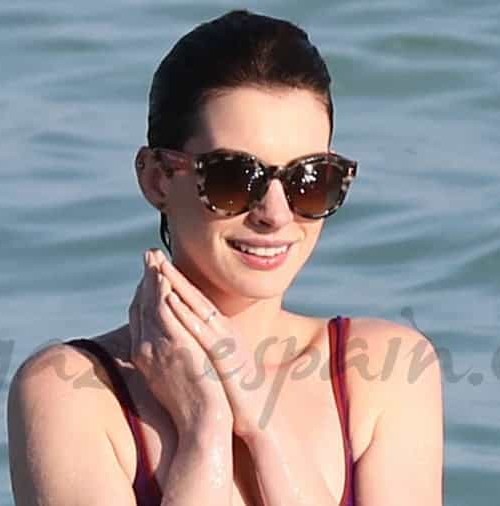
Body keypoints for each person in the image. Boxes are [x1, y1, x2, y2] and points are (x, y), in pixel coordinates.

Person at [7, 9, 444, 506]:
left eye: (309, 179)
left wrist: (263, 423)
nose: (276, 214)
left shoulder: (383, 373)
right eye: (234, 178)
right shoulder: (71, 391)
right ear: (156, 178)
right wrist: (204, 431)